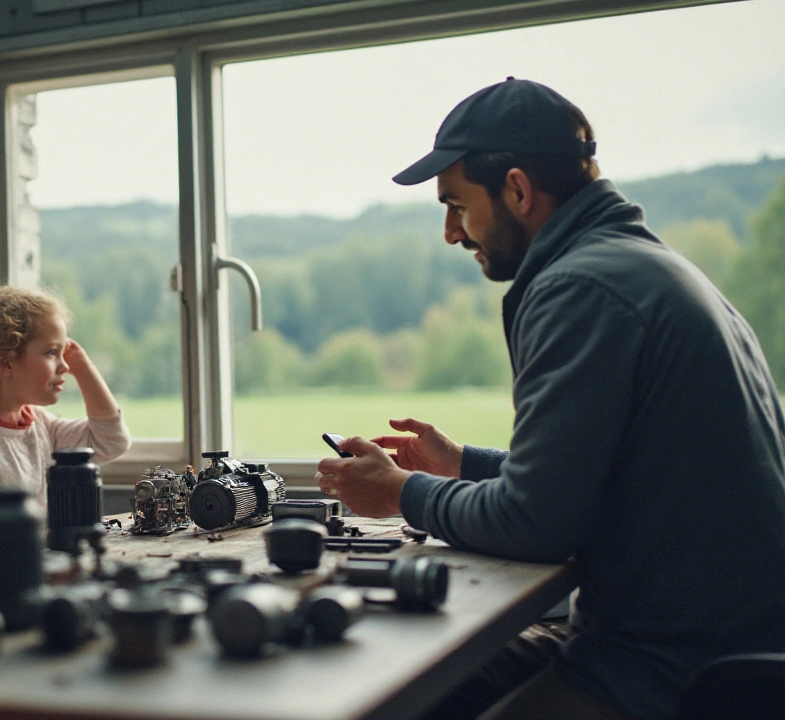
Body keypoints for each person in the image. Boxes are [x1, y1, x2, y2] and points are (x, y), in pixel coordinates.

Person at [316, 78, 785, 720]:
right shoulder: (637, 266)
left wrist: (399, 493)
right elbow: (597, 477)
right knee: (435, 689)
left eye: (457, 205)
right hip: (691, 645)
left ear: (517, 189)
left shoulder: (581, 289)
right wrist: (463, 465)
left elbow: (535, 525)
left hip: (676, 675)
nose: (452, 233)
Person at [0, 282, 130, 511]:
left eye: (63, 352)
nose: (65, 365)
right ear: (5, 362)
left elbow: (112, 441)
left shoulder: (44, 426)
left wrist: (84, 368)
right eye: (51, 352)